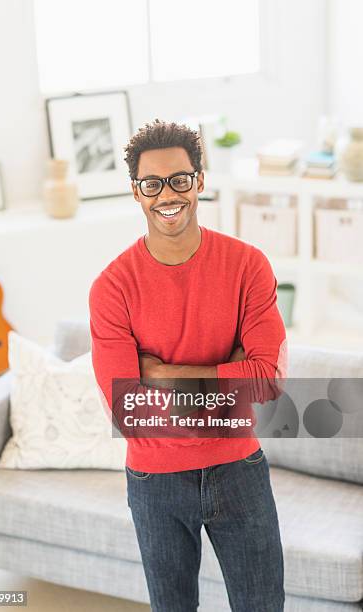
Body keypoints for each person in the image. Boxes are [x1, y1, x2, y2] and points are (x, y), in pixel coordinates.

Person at [89, 119, 287, 612]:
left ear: (199, 180)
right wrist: (226, 375)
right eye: (151, 184)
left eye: (179, 179)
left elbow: (267, 379)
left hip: (239, 469)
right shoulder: (112, 287)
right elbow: (128, 411)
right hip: (155, 482)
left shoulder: (248, 265)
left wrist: (160, 375)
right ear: (136, 192)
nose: (167, 195)